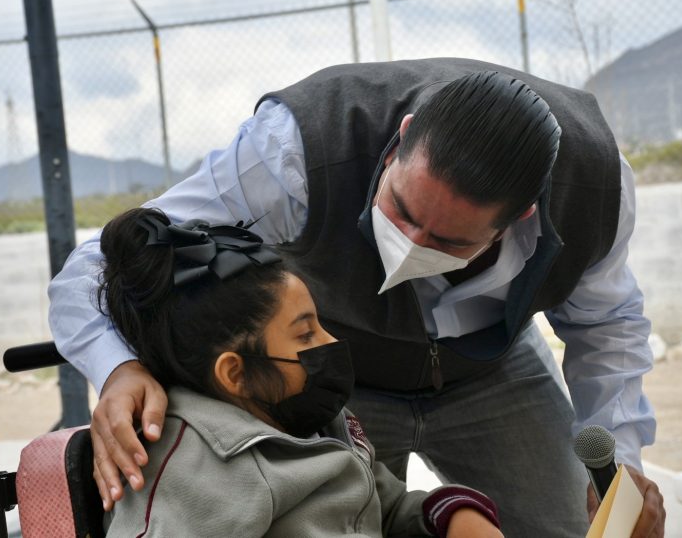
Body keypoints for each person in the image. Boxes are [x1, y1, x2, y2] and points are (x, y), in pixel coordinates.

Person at [49, 59, 665, 536]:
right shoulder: (295, 151)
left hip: (493, 373)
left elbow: (606, 326)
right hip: (334, 383)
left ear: (521, 217)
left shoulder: (595, 186)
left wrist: (622, 462)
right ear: (399, 140)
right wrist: (120, 368)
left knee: (583, 526)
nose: (411, 242)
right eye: (399, 210)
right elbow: (94, 267)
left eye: (448, 241)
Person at [98, 207, 502, 537]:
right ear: (235, 373)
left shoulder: (314, 417)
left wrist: (448, 515)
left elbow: (379, 506)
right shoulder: (198, 471)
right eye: (306, 334)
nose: (329, 342)